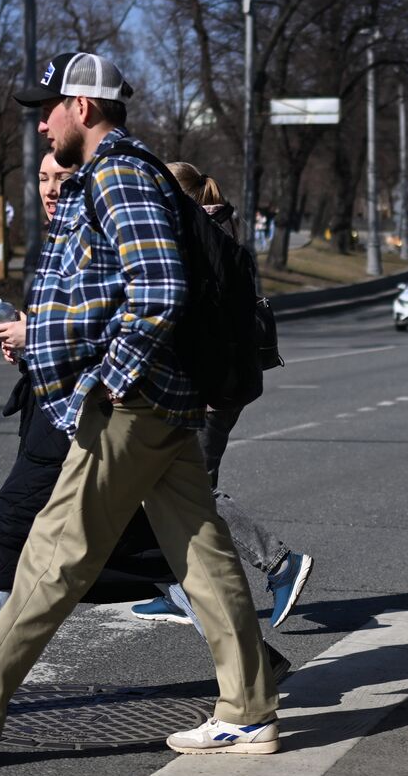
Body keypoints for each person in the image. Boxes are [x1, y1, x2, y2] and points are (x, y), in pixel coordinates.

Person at [0, 52, 280, 765]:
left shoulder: (118, 173)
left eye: (51, 107)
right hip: (163, 402)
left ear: (85, 108)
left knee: (54, 550)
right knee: (201, 553)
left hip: (135, 401)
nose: (42, 123)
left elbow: (157, 285)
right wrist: (44, 339)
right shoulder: (117, 172)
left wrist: (111, 378)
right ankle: (248, 709)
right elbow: (102, 292)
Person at [130, 160, 314, 630]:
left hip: (211, 387)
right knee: (172, 486)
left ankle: (279, 563)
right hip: (214, 382)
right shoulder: (206, 228)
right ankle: (178, 588)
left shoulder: (202, 236)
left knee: (193, 489)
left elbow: (205, 322)